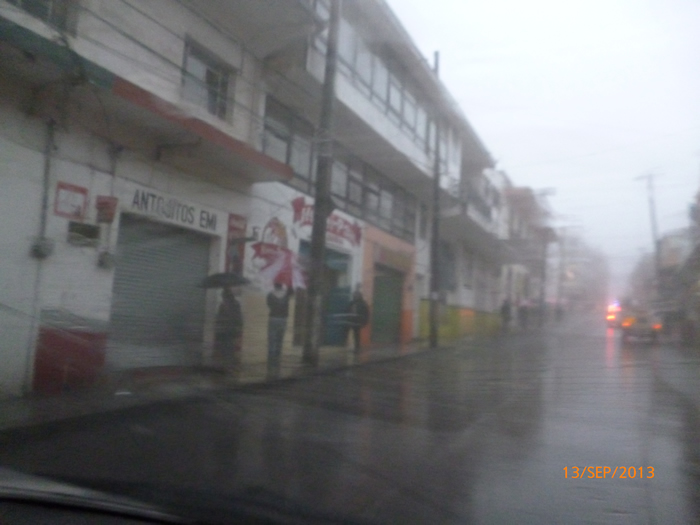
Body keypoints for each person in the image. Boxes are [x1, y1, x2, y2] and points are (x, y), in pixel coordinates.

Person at [266, 281, 293, 367]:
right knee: (280, 338)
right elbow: (292, 292)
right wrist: (290, 283)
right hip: (283, 319)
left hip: (273, 318)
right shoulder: (286, 295)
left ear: (274, 285)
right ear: (282, 285)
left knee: (272, 339)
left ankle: (271, 359)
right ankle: (278, 358)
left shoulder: (270, 295)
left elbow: (269, 305)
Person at [215, 287, 243, 363]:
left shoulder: (224, 305)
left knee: (226, 345)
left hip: (226, 329)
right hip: (231, 328)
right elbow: (239, 317)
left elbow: (219, 317)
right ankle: (229, 360)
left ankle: (227, 360)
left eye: (223, 296)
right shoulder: (235, 303)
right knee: (230, 345)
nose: (222, 298)